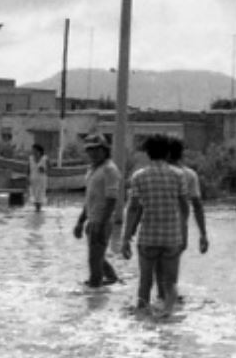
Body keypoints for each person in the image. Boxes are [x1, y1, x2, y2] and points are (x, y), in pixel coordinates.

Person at [120, 133, 188, 316]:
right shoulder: (179, 175)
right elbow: (184, 208)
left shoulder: (138, 177)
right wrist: (183, 233)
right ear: (167, 153)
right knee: (170, 282)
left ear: (148, 154)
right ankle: (167, 312)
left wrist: (126, 238)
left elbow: (133, 209)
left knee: (145, 280)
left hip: (148, 236)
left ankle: (142, 310)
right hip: (171, 237)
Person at [72, 133, 122, 288]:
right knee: (97, 257)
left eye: (96, 149)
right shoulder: (92, 169)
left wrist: (102, 223)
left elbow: (112, 200)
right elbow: (89, 199)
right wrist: (80, 221)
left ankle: (94, 295)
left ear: (105, 150)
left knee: (94, 261)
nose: (92, 153)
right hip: (92, 220)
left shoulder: (109, 169)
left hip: (102, 221)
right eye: (89, 150)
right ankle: (113, 280)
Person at [174, 142, 209, 302]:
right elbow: (197, 206)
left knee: (159, 262)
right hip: (180, 227)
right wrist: (203, 234)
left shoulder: (151, 173)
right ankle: (169, 293)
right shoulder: (189, 175)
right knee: (172, 261)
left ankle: (165, 294)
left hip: (158, 226)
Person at [28, 143, 48, 211]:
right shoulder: (30, 158)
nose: (33, 151)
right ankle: (37, 211)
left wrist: (44, 169)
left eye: (34, 150)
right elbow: (27, 169)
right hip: (33, 180)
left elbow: (50, 168)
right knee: (34, 196)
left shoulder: (44, 158)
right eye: (32, 150)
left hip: (41, 180)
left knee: (40, 196)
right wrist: (27, 178)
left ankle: (38, 210)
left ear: (39, 151)